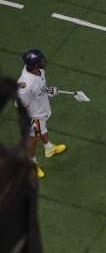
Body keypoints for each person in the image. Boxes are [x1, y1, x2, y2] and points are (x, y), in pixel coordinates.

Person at [17, 49, 67, 178]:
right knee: (33, 139)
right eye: (40, 61)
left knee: (42, 130)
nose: (43, 62)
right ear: (34, 65)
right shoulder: (26, 85)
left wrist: (49, 90)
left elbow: (39, 88)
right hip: (34, 116)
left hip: (42, 110)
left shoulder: (39, 71)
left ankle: (49, 149)